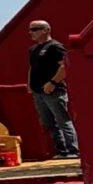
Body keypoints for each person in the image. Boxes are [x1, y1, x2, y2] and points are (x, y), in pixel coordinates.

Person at [26, 19, 78, 158]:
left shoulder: (55, 47)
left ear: (46, 30)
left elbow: (65, 66)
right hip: (38, 91)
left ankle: (73, 150)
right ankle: (61, 151)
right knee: (49, 123)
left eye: (35, 29)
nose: (31, 32)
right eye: (30, 29)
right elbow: (32, 68)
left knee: (62, 120)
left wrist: (53, 83)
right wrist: (29, 84)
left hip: (54, 90)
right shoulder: (33, 49)